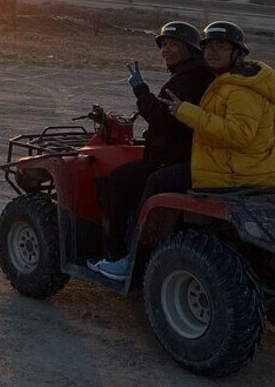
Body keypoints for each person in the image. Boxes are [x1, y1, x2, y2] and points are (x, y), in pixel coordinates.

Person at [87, 22, 214, 280]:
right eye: (163, 45)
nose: (166, 50)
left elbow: (159, 118)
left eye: (173, 45)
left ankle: (119, 256)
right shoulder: (199, 75)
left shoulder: (188, 79)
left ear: (189, 49)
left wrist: (139, 88)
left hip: (172, 159)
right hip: (187, 155)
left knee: (115, 182)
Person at [151, 21, 275, 195]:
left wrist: (186, 112)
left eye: (221, 46)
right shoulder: (224, 82)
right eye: (208, 47)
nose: (212, 52)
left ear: (237, 53)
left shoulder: (241, 90)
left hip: (242, 175)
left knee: (157, 181)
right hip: (236, 163)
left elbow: (237, 135)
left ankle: (140, 224)